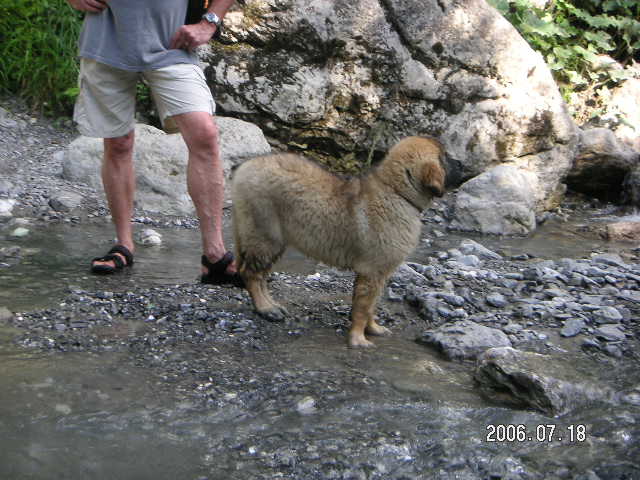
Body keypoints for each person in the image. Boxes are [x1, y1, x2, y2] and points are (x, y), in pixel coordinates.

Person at [67, 0, 243, 286]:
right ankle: (124, 244)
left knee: (205, 135)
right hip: (106, 42)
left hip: (172, 45)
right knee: (118, 143)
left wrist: (209, 22)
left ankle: (214, 256)